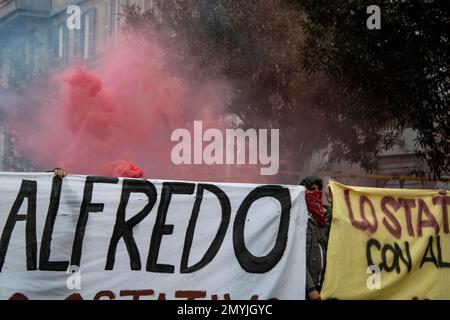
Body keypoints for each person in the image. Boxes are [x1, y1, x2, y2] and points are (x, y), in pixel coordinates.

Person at [300, 176, 330, 300]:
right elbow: (295, 258)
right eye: (312, 189)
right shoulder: (298, 217)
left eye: (319, 189)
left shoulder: (326, 215)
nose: (316, 192)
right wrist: (310, 288)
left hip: (325, 287)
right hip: (305, 290)